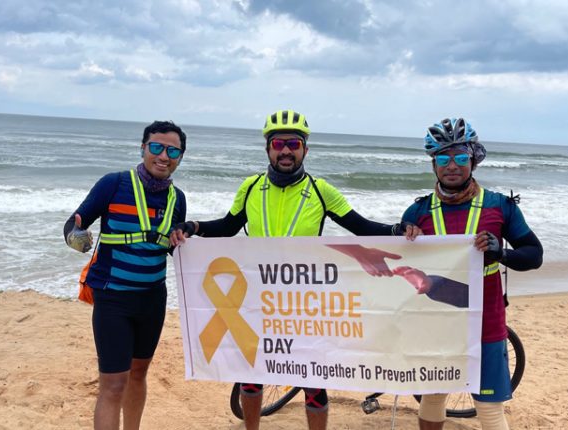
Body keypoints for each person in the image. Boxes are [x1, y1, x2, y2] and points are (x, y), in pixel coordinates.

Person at [169, 109, 419, 430]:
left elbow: (362, 227)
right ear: (268, 149)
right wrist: (193, 226)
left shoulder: (321, 190)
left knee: (313, 381)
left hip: (304, 303)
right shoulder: (251, 187)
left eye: (293, 144)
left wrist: (398, 230)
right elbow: (228, 226)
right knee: (251, 375)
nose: (286, 150)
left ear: (305, 149)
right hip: (259, 298)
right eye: (278, 143)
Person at [399, 117, 543, 430]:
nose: (452, 165)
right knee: (432, 397)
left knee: (489, 408)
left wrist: (501, 253)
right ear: (433, 164)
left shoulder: (499, 206)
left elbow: (534, 255)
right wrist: (402, 235)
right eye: (443, 158)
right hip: (436, 322)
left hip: (485, 322)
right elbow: (401, 265)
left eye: (461, 157)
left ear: (474, 160)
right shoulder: (418, 212)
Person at [64, 121, 188, 430]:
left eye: (173, 151)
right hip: (113, 298)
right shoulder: (114, 184)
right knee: (113, 384)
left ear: (180, 156)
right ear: (143, 148)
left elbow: (168, 248)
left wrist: (180, 242)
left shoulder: (178, 199)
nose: (164, 156)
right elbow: (74, 223)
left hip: (153, 299)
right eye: (156, 147)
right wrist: (77, 237)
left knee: (138, 375)